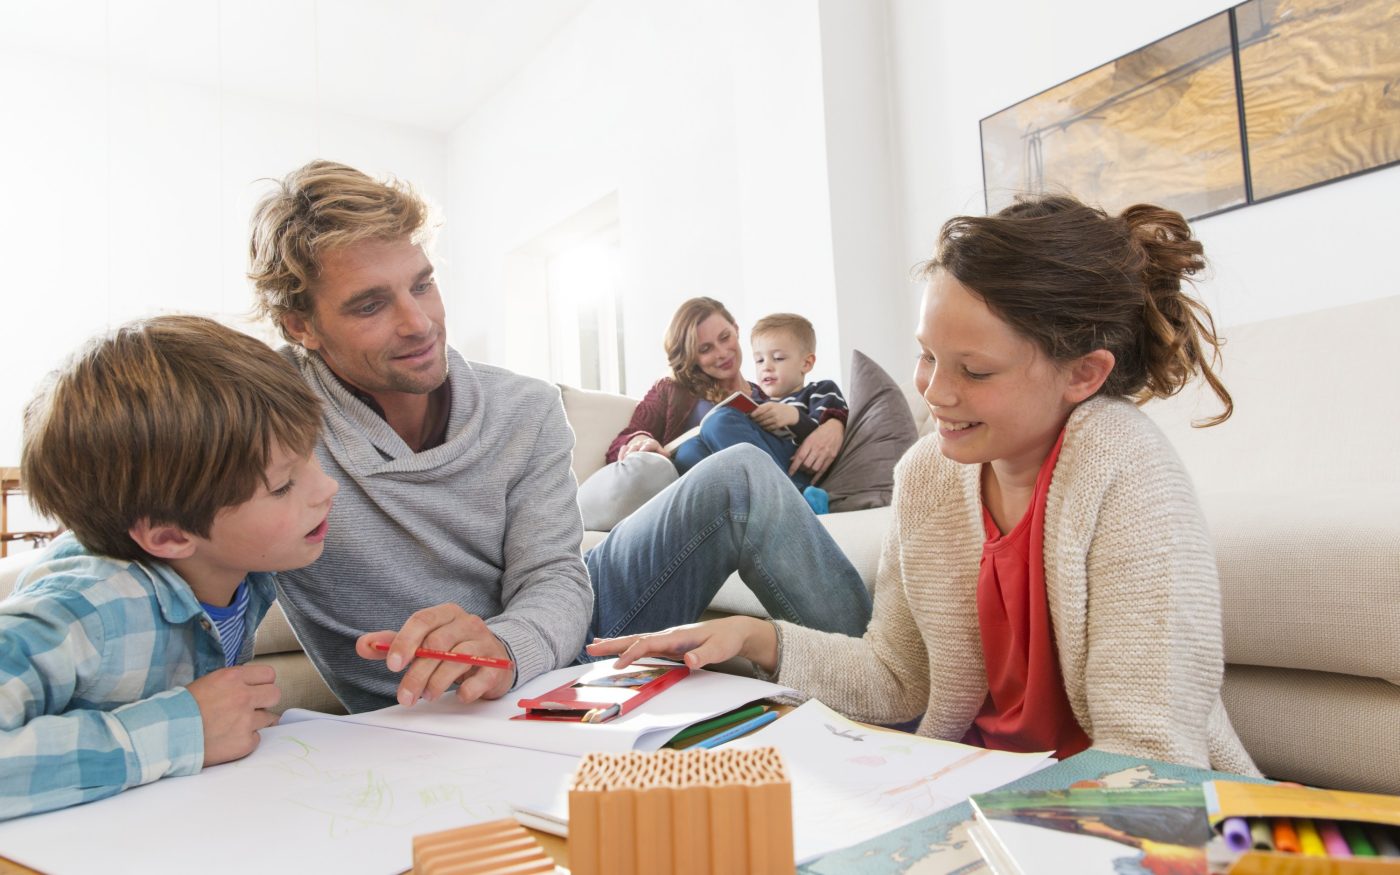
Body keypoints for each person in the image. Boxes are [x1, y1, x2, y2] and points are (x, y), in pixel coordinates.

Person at [589, 194, 1261, 775]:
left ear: (1082, 374)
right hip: (951, 779)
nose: (935, 393)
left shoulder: (1127, 470)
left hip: (1092, 818)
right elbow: (897, 677)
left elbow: (1148, 763)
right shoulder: (929, 475)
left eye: (973, 369)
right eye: (927, 355)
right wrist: (755, 636)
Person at [248, 161, 873, 714]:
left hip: (565, 628)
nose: (420, 323)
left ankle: (886, 703)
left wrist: (505, 645)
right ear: (299, 325)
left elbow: (552, 575)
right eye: (369, 306)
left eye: (422, 283)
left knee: (742, 473)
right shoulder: (260, 422)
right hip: (428, 705)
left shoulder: (524, 408)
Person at [0, 316, 337, 820]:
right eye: (283, 485)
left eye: (310, 457)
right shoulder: (86, 608)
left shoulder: (241, 570)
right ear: (170, 536)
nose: (327, 487)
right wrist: (184, 729)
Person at [672, 312, 847, 504]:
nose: (767, 367)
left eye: (778, 358)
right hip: (760, 465)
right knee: (688, 450)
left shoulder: (820, 390)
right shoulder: (759, 402)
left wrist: (795, 417)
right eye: (759, 361)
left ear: (806, 363)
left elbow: (825, 434)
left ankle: (797, 498)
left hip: (795, 468)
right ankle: (726, 508)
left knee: (718, 420)